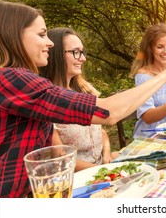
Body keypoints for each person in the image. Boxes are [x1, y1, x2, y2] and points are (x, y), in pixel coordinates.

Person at [0, 0, 166, 197]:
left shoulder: (27, 83)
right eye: (41, 34)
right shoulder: (11, 79)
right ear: (13, 36)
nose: (49, 42)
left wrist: (109, 157)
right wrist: (165, 75)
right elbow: (108, 113)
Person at [38, 27, 119, 171]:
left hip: (101, 168)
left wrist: (106, 153)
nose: (83, 58)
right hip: (76, 180)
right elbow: (61, 156)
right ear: (56, 55)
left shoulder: (85, 89)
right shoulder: (47, 99)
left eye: (82, 52)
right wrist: (105, 171)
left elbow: (100, 131)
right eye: (75, 52)